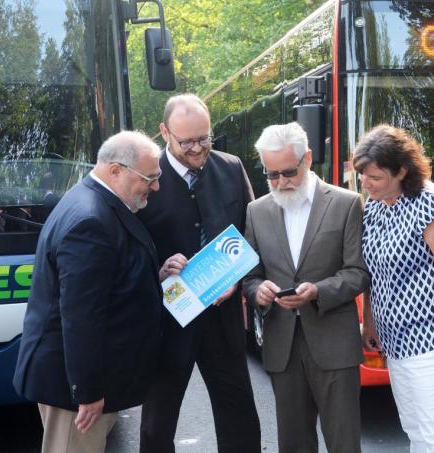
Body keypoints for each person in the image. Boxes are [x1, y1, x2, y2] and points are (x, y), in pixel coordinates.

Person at [13, 130, 167, 453]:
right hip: (74, 395)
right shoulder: (90, 220)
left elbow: (107, 280)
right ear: (115, 171)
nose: (156, 186)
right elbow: (82, 317)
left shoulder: (94, 201)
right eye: (149, 178)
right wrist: (87, 391)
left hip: (85, 384)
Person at [136, 94, 260, 453]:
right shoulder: (145, 176)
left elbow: (252, 234)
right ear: (164, 133)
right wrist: (158, 272)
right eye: (186, 141)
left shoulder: (231, 168)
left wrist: (238, 279)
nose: (197, 148)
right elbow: (127, 249)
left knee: (240, 420)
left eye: (204, 138)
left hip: (223, 323)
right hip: (168, 324)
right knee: (157, 426)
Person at [242, 122, 370, 453]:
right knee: (293, 443)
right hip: (282, 345)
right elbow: (249, 277)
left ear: (308, 159)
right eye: (271, 175)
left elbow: (358, 272)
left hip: (334, 342)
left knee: (343, 441)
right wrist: (259, 292)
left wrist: (319, 291)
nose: (281, 182)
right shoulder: (256, 211)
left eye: (288, 172)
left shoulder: (346, 203)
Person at [353, 124, 434, 453]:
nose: (366, 183)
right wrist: (370, 321)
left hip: (433, 338)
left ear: (402, 170)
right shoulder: (376, 206)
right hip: (396, 341)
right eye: (363, 175)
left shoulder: (430, 203)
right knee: (416, 432)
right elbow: (372, 270)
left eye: (375, 177)